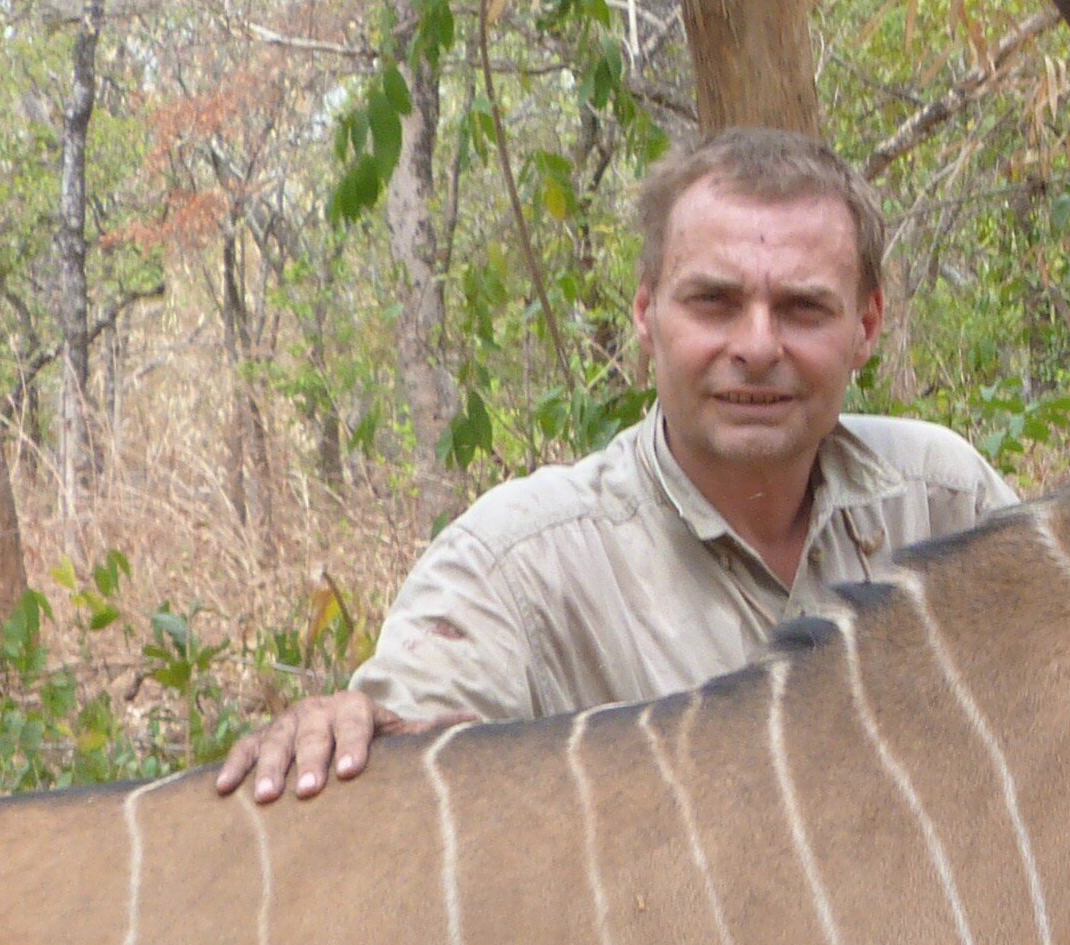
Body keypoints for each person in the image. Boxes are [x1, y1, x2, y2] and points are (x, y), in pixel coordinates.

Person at [219, 128, 1014, 799]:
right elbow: (405, 756)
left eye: (804, 308)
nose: (758, 346)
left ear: (866, 326)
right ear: (646, 314)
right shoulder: (519, 564)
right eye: (714, 302)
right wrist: (342, 728)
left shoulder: (946, 501)